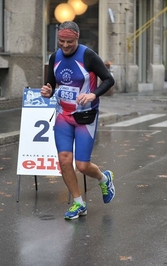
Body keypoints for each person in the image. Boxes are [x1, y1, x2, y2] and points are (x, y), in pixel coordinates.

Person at [40, 21, 116, 220]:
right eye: (61, 41)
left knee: (82, 165)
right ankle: (78, 203)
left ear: (77, 39)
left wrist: (93, 94)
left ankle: (103, 178)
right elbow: (51, 85)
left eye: (70, 42)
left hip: (85, 116)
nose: (65, 46)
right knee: (64, 160)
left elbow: (109, 79)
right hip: (63, 116)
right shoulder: (54, 57)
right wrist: (47, 91)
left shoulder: (88, 55)